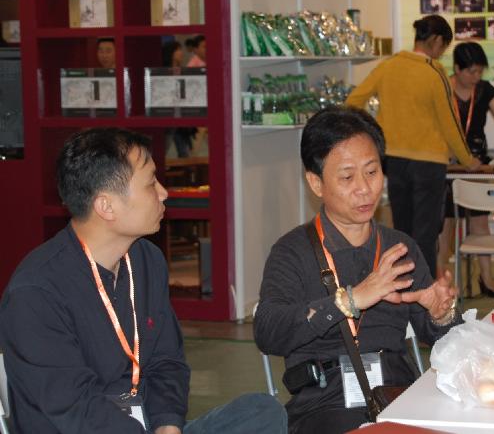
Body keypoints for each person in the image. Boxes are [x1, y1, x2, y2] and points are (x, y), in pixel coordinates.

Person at [0, 128, 287, 434]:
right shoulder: (36, 293)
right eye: (151, 184)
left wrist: (168, 423)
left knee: (262, 411)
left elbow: (167, 360)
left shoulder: (146, 260)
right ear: (106, 206)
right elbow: (75, 409)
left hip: (148, 427)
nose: (163, 193)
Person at [254, 106, 461, 434]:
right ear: (316, 183)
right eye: (347, 177)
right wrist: (348, 301)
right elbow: (268, 332)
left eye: (372, 172)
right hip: (324, 402)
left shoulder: (400, 248)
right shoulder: (292, 252)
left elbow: (452, 346)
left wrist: (441, 315)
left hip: (397, 394)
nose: (364, 188)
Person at [346, 15, 481, 276]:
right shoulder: (434, 72)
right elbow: (450, 122)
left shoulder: (388, 66)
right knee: (425, 235)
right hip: (429, 164)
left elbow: (354, 101)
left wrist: (373, 136)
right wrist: (467, 160)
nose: (441, 54)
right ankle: (424, 294)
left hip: (393, 160)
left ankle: (404, 291)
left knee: (402, 234)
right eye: (443, 48)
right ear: (437, 41)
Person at [436, 41, 494, 297]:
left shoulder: (484, 90)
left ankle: (487, 277)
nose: (476, 77)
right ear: (457, 69)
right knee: (445, 225)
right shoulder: (442, 87)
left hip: (476, 164)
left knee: (480, 222)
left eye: (480, 71)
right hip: (448, 163)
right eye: (471, 71)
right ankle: (443, 279)